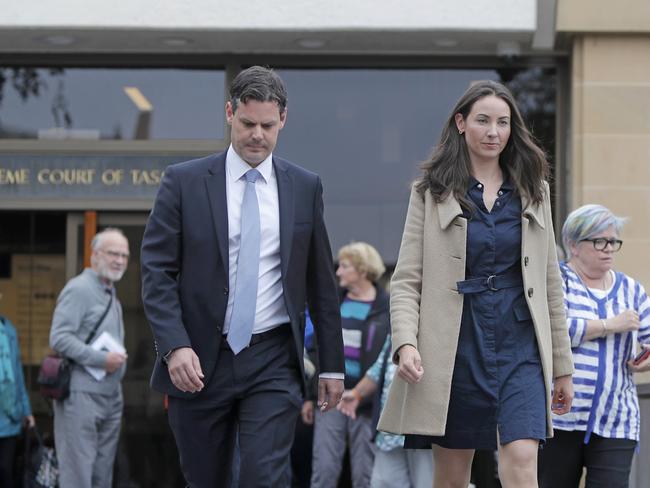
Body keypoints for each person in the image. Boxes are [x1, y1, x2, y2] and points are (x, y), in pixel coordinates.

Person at [141, 65, 345, 488]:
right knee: (206, 478)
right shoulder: (184, 182)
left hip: (271, 357)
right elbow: (156, 272)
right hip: (197, 360)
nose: (257, 135)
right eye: (248, 123)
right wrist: (174, 346)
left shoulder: (304, 187)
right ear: (229, 112)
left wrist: (332, 367)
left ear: (283, 120)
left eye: (268, 126)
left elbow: (321, 282)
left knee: (262, 476)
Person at [377, 80, 575, 488]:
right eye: (483, 121)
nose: (493, 132)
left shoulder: (533, 189)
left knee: (521, 459)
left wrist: (562, 368)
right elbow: (407, 278)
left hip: (519, 339)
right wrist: (406, 342)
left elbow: (549, 281)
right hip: (456, 342)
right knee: (452, 475)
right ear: (461, 123)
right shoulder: (430, 192)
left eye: (503, 123)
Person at [538, 204, 650, 487]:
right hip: (560, 418)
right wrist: (611, 324)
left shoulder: (632, 290)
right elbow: (554, 331)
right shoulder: (558, 281)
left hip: (616, 420)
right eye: (599, 241)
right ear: (573, 245)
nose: (608, 248)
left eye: (613, 241)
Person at [49, 228, 129, 488]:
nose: (119, 260)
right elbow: (59, 338)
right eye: (113, 253)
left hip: (110, 396)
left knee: (100, 478)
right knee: (78, 477)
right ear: (95, 256)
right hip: (80, 396)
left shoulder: (111, 294)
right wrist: (100, 360)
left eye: (124, 256)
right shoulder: (80, 289)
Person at [310, 242, 389, 488]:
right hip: (330, 397)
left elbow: (386, 357)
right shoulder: (332, 303)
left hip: (366, 401)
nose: (338, 272)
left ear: (362, 270)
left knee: (366, 473)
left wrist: (363, 393)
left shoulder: (386, 308)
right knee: (324, 468)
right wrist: (307, 395)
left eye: (344, 266)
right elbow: (314, 350)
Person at [338, 335, 434, 488]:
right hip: (390, 429)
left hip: (424, 430)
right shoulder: (395, 330)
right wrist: (356, 394)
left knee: (428, 483)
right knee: (384, 482)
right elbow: (379, 367)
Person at [0, 306, 35, 487]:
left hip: (10, 417)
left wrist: (26, 411)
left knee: (7, 471)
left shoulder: (8, 329)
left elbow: (17, 374)